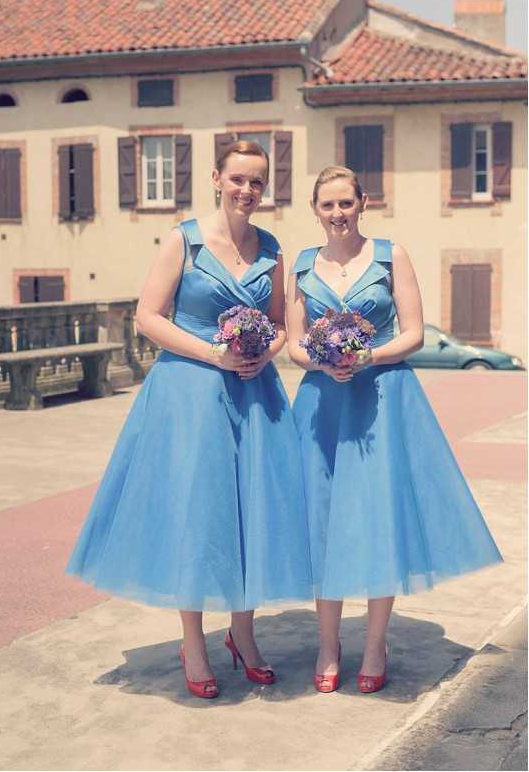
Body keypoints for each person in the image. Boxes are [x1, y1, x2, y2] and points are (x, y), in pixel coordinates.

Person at [67, 141, 312, 699]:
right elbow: (148, 318)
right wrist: (215, 355)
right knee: (198, 514)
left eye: (257, 182)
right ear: (216, 179)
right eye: (238, 179)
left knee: (254, 512)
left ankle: (243, 637)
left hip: (254, 393)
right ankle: (194, 643)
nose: (247, 190)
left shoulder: (271, 248)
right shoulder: (184, 239)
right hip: (190, 393)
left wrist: (263, 352)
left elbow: (277, 323)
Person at [286, 165, 502, 695]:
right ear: (315, 210)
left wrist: (367, 356)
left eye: (346, 203)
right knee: (323, 520)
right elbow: (294, 343)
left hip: (383, 398)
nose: (337, 214)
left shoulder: (390, 256)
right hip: (322, 404)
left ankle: (376, 641)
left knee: (379, 517)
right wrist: (321, 363)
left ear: (363, 203)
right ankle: (329, 643)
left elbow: (413, 332)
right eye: (327, 205)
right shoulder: (300, 266)